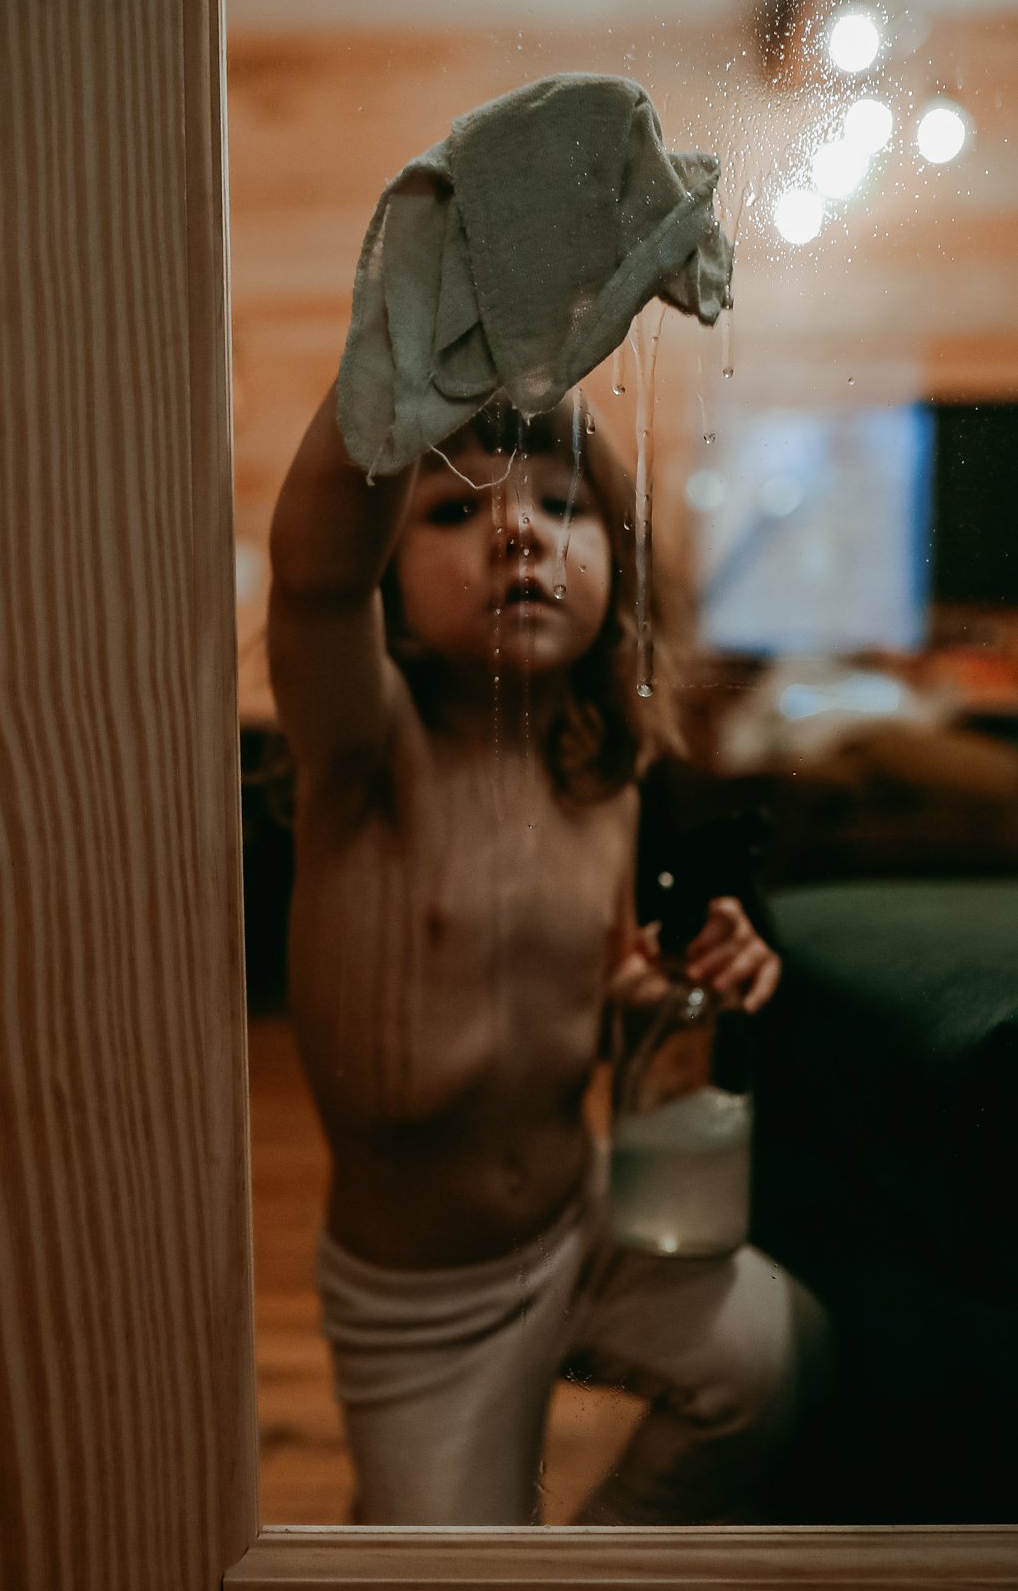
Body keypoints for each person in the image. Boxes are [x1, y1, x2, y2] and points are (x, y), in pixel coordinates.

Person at [267, 385, 830, 1526]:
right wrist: (402, 361)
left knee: (780, 1359)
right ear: (381, 579)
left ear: (617, 571)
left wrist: (677, 990)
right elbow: (312, 575)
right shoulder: (369, 757)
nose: (515, 529)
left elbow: (597, 1002)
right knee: (443, 1565)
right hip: (424, 1306)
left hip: (584, 1232)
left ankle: (603, 1554)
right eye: (449, 512)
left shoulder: (605, 778)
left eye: (562, 504)